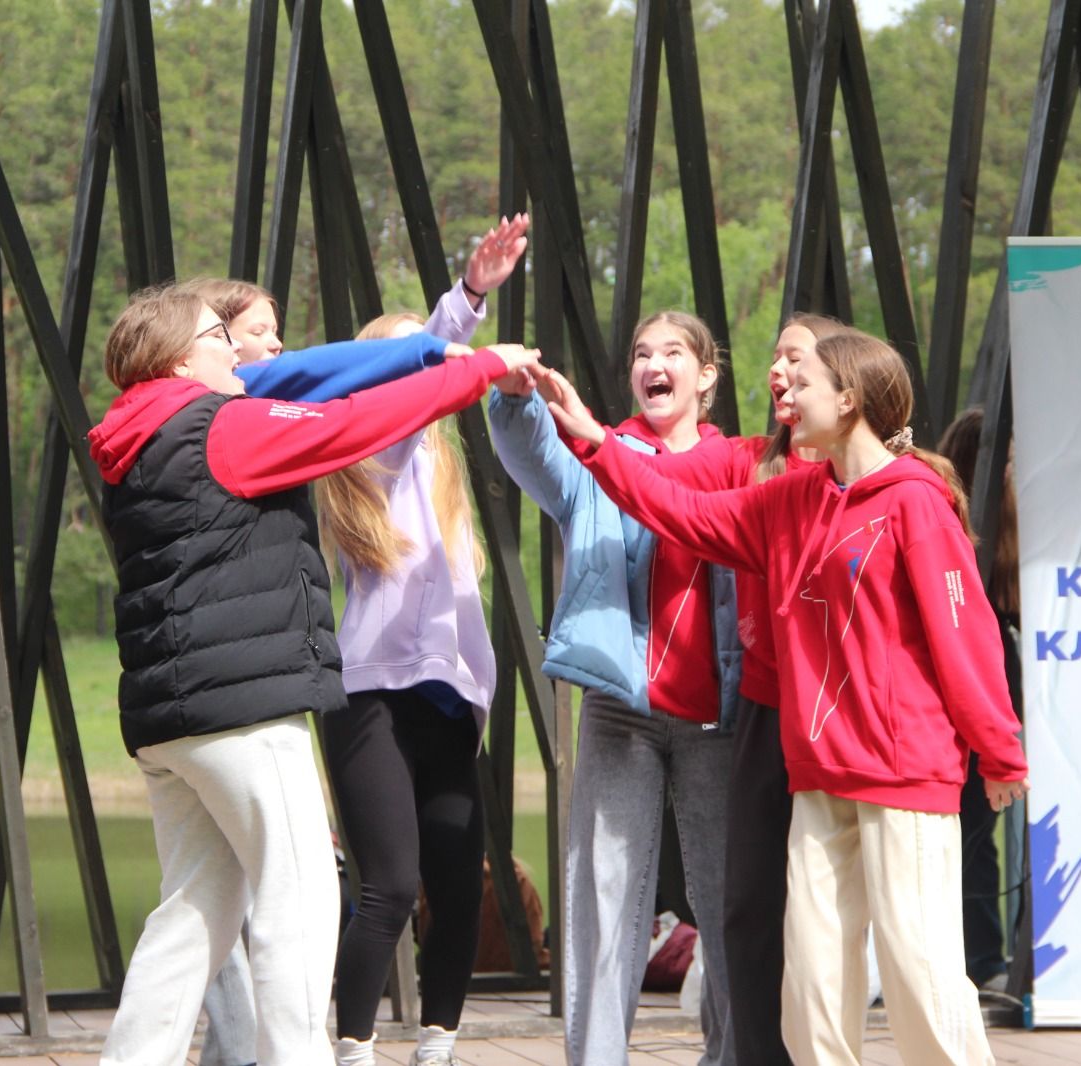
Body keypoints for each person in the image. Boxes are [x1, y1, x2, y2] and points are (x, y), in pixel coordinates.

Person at [537, 329, 1028, 1065]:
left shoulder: (917, 503)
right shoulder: (791, 499)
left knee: (921, 985)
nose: (783, 392)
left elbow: (968, 638)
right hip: (819, 779)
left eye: (802, 380)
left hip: (905, 780)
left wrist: (999, 752)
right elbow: (681, 513)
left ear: (850, 397)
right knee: (812, 998)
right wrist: (593, 442)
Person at [87, 284, 540, 1066]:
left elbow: (320, 373)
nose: (237, 350)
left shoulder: (137, 443)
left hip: (169, 722)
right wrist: (472, 371)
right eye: (218, 336)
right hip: (245, 715)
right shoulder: (222, 430)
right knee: (299, 903)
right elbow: (352, 420)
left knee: (192, 915)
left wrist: (429, 346)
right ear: (182, 358)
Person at [489, 310, 741, 1066]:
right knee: (604, 902)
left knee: (727, 902)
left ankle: (730, 1055)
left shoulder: (739, 465)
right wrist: (513, 399)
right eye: (640, 353)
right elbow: (534, 455)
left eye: (672, 352)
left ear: (706, 376)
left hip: (718, 716)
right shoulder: (601, 454)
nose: (653, 364)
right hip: (619, 711)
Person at [619, 312, 849, 1066]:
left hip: (838, 722)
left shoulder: (875, 486)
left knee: (822, 907)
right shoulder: (752, 466)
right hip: (759, 709)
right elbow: (662, 488)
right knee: (746, 907)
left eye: (796, 358)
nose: (779, 370)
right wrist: (590, 436)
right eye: (775, 358)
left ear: (841, 381)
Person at [313, 308, 518, 1066]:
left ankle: (438, 1047)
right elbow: (403, 396)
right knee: (392, 888)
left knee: (460, 891)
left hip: (447, 701)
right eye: (412, 359)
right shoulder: (371, 444)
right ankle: (354, 1049)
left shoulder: (440, 463)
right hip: (373, 697)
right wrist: (464, 301)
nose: (429, 369)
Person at [936, 407, 1022, 995]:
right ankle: (978, 957)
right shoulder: (959, 530)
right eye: (1012, 461)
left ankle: (986, 955)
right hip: (969, 682)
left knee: (976, 828)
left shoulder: (1012, 535)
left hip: (999, 673)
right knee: (967, 827)